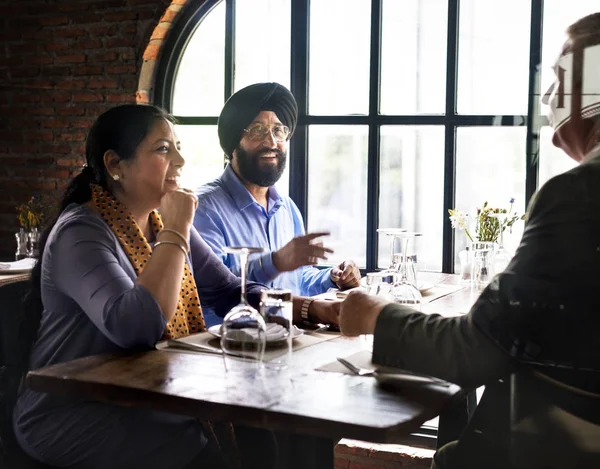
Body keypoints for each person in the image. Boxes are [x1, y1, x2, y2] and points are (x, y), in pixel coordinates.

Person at [339, 12, 600, 469]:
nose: (548, 97)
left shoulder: (577, 194)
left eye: (561, 79)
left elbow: (474, 351)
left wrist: (375, 315)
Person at [12, 104, 280, 469]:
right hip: (73, 409)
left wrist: (311, 308)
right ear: (115, 165)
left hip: (144, 395)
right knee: (199, 450)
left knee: (259, 427)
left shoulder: (158, 221)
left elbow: (226, 289)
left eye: (178, 146)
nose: (181, 160)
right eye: (163, 149)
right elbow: (136, 327)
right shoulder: (81, 232)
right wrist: (176, 230)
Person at [193, 82, 361, 326]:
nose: (271, 142)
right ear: (233, 143)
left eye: (279, 131)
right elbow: (217, 288)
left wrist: (333, 278)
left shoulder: (287, 208)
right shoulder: (203, 209)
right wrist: (275, 261)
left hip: (289, 340)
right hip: (228, 347)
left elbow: (297, 280)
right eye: (257, 130)